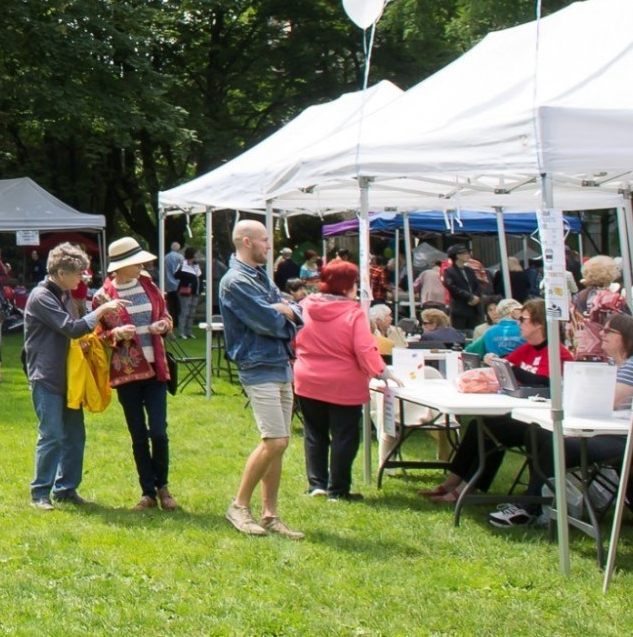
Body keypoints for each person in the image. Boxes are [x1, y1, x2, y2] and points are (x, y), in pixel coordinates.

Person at [486, 312, 633, 527]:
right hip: (600, 429)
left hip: (620, 438)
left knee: (555, 442)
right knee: (538, 434)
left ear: (625, 337)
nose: (601, 333)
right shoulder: (613, 364)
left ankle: (532, 507)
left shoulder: (629, 366)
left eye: (608, 331)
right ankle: (540, 502)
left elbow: (610, 401)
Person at [423, 299, 574, 504]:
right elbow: (508, 363)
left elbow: (544, 381)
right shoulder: (529, 348)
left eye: (523, 319)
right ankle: (453, 481)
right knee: (480, 425)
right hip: (524, 412)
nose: (518, 323)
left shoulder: (557, 352)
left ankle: (465, 488)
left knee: (489, 431)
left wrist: (506, 367)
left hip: (542, 420)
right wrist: (498, 362)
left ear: (539, 324)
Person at [220, 219, 304, 539]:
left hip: (279, 362)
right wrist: (284, 313)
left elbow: (292, 310)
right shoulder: (235, 282)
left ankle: (270, 514)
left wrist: (287, 312)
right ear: (246, 241)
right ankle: (239, 506)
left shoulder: (259, 277)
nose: (269, 246)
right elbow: (269, 320)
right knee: (275, 440)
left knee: (280, 444)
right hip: (258, 365)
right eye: (265, 240)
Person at [23, 243, 124, 509]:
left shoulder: (64, 294)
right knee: (52, 434)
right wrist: (100, 311)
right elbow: (71, 328)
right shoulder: (41, 297)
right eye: (77, 274)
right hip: (46, 376)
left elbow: (76, 332)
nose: (81, 279)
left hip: (69, 375)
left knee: (75, 436)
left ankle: (66, 489)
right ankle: (40, 493)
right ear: (59, 272)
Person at [294, 261, 399, 501]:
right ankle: (338, 489)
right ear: (349, 285)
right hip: (344, 382)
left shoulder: (305, 306)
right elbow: (365, 349)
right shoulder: (353, 313)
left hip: (308, 377)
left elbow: (292, 337)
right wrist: (384, 373)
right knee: (344, 436)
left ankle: (317, 484)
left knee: (315, 433)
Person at [94, 237, 175, 511]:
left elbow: (166, 315)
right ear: (120, 267)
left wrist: (163, 324)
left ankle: (163, 486)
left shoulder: (150, 286)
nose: (141, 264)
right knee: (138, 434)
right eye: (135, 262)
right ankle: (148, 493)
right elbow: (99, 335)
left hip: (156, 370)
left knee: (159, 432)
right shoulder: (102, 297)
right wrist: (115, 333)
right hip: (127, 374)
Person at [571, 255, 630, 359]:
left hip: (581, 354)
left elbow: (569, 328)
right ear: (611, 273)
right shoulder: (613, 299)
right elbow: (627, 326)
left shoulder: (576, 298)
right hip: (607, 355)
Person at [442, 244, 485, 332]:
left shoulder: (469, 270)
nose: (468, 255)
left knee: (474, 332)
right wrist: (469, 297)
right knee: (459, 334)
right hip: (460, 309)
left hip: (474, 309)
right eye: (465, 253)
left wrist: (476, 297)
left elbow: (477, 285)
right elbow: (452, 287)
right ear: (457, 256)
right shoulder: (449, 271)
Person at [175, 247, 202, 339]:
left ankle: (188, 331)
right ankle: (181, 332)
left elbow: (199, 277)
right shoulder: (183, 264)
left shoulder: (196, 266)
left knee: (191, 313)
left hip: (195, 292)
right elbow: (176, 275)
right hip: (185, 292)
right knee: (184, 312)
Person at [162, 242, 184, 327]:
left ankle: (171, 321)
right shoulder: (180, 257)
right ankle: (177, 322)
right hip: (178, 284)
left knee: (170, 305)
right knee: (179, 305)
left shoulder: (166, 257)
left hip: (167, 284)